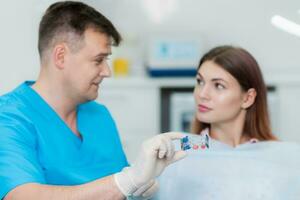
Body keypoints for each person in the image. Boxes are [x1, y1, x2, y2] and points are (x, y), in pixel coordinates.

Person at [0, 1, 187, 200]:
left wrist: (140, 186)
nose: (107, 72)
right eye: (99, 60)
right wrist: (126, 181)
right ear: (61, 56)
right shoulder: (10, 118)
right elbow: (21, 196)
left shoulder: (99, 115)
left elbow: (121, 189)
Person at [154, 45, 300, 199]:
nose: (202, 94)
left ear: (247, 98)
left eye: (218, 86)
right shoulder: (174, 152)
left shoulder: (284, 157)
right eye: (200, 81)